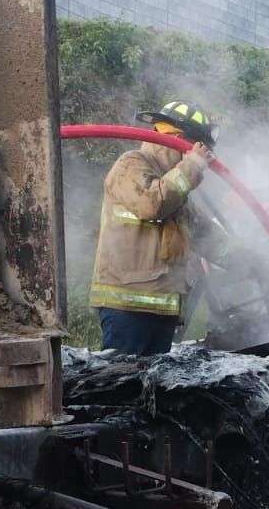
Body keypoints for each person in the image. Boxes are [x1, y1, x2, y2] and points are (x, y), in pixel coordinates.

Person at [88, 100, 225, 356]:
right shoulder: (131, 165)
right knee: (124, 388)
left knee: (151, 391)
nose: (195, 157)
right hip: (127, 307)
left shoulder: (175, 186)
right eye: (196, 148)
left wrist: (258, 263)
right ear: (177, 140)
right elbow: (152, 203)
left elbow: (207, 237)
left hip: (161, 311)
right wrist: (192, 166)